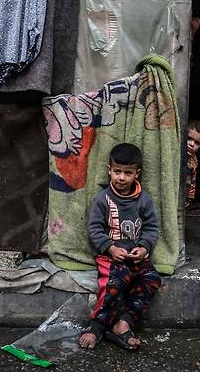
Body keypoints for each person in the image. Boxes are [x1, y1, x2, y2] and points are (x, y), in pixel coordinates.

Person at [78, 143, 162, 351]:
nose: (122, 178)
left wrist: (143, 247)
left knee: (152, 279)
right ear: (109, 170)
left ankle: (124, 323)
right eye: (117, 172)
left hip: (136, 257)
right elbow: (95, 229)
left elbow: (151, 228)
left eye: (128, 173)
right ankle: (97, 325)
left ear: (137, 174)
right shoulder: (103, 199)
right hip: (111, 258)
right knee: (118, 279)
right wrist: (110, 248)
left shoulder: (144, 200)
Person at [186, 120, 200, 207]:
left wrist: (189, 197)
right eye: (189, 138)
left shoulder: (194, 160)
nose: (191, 144)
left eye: (197, 143)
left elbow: (193, 179)